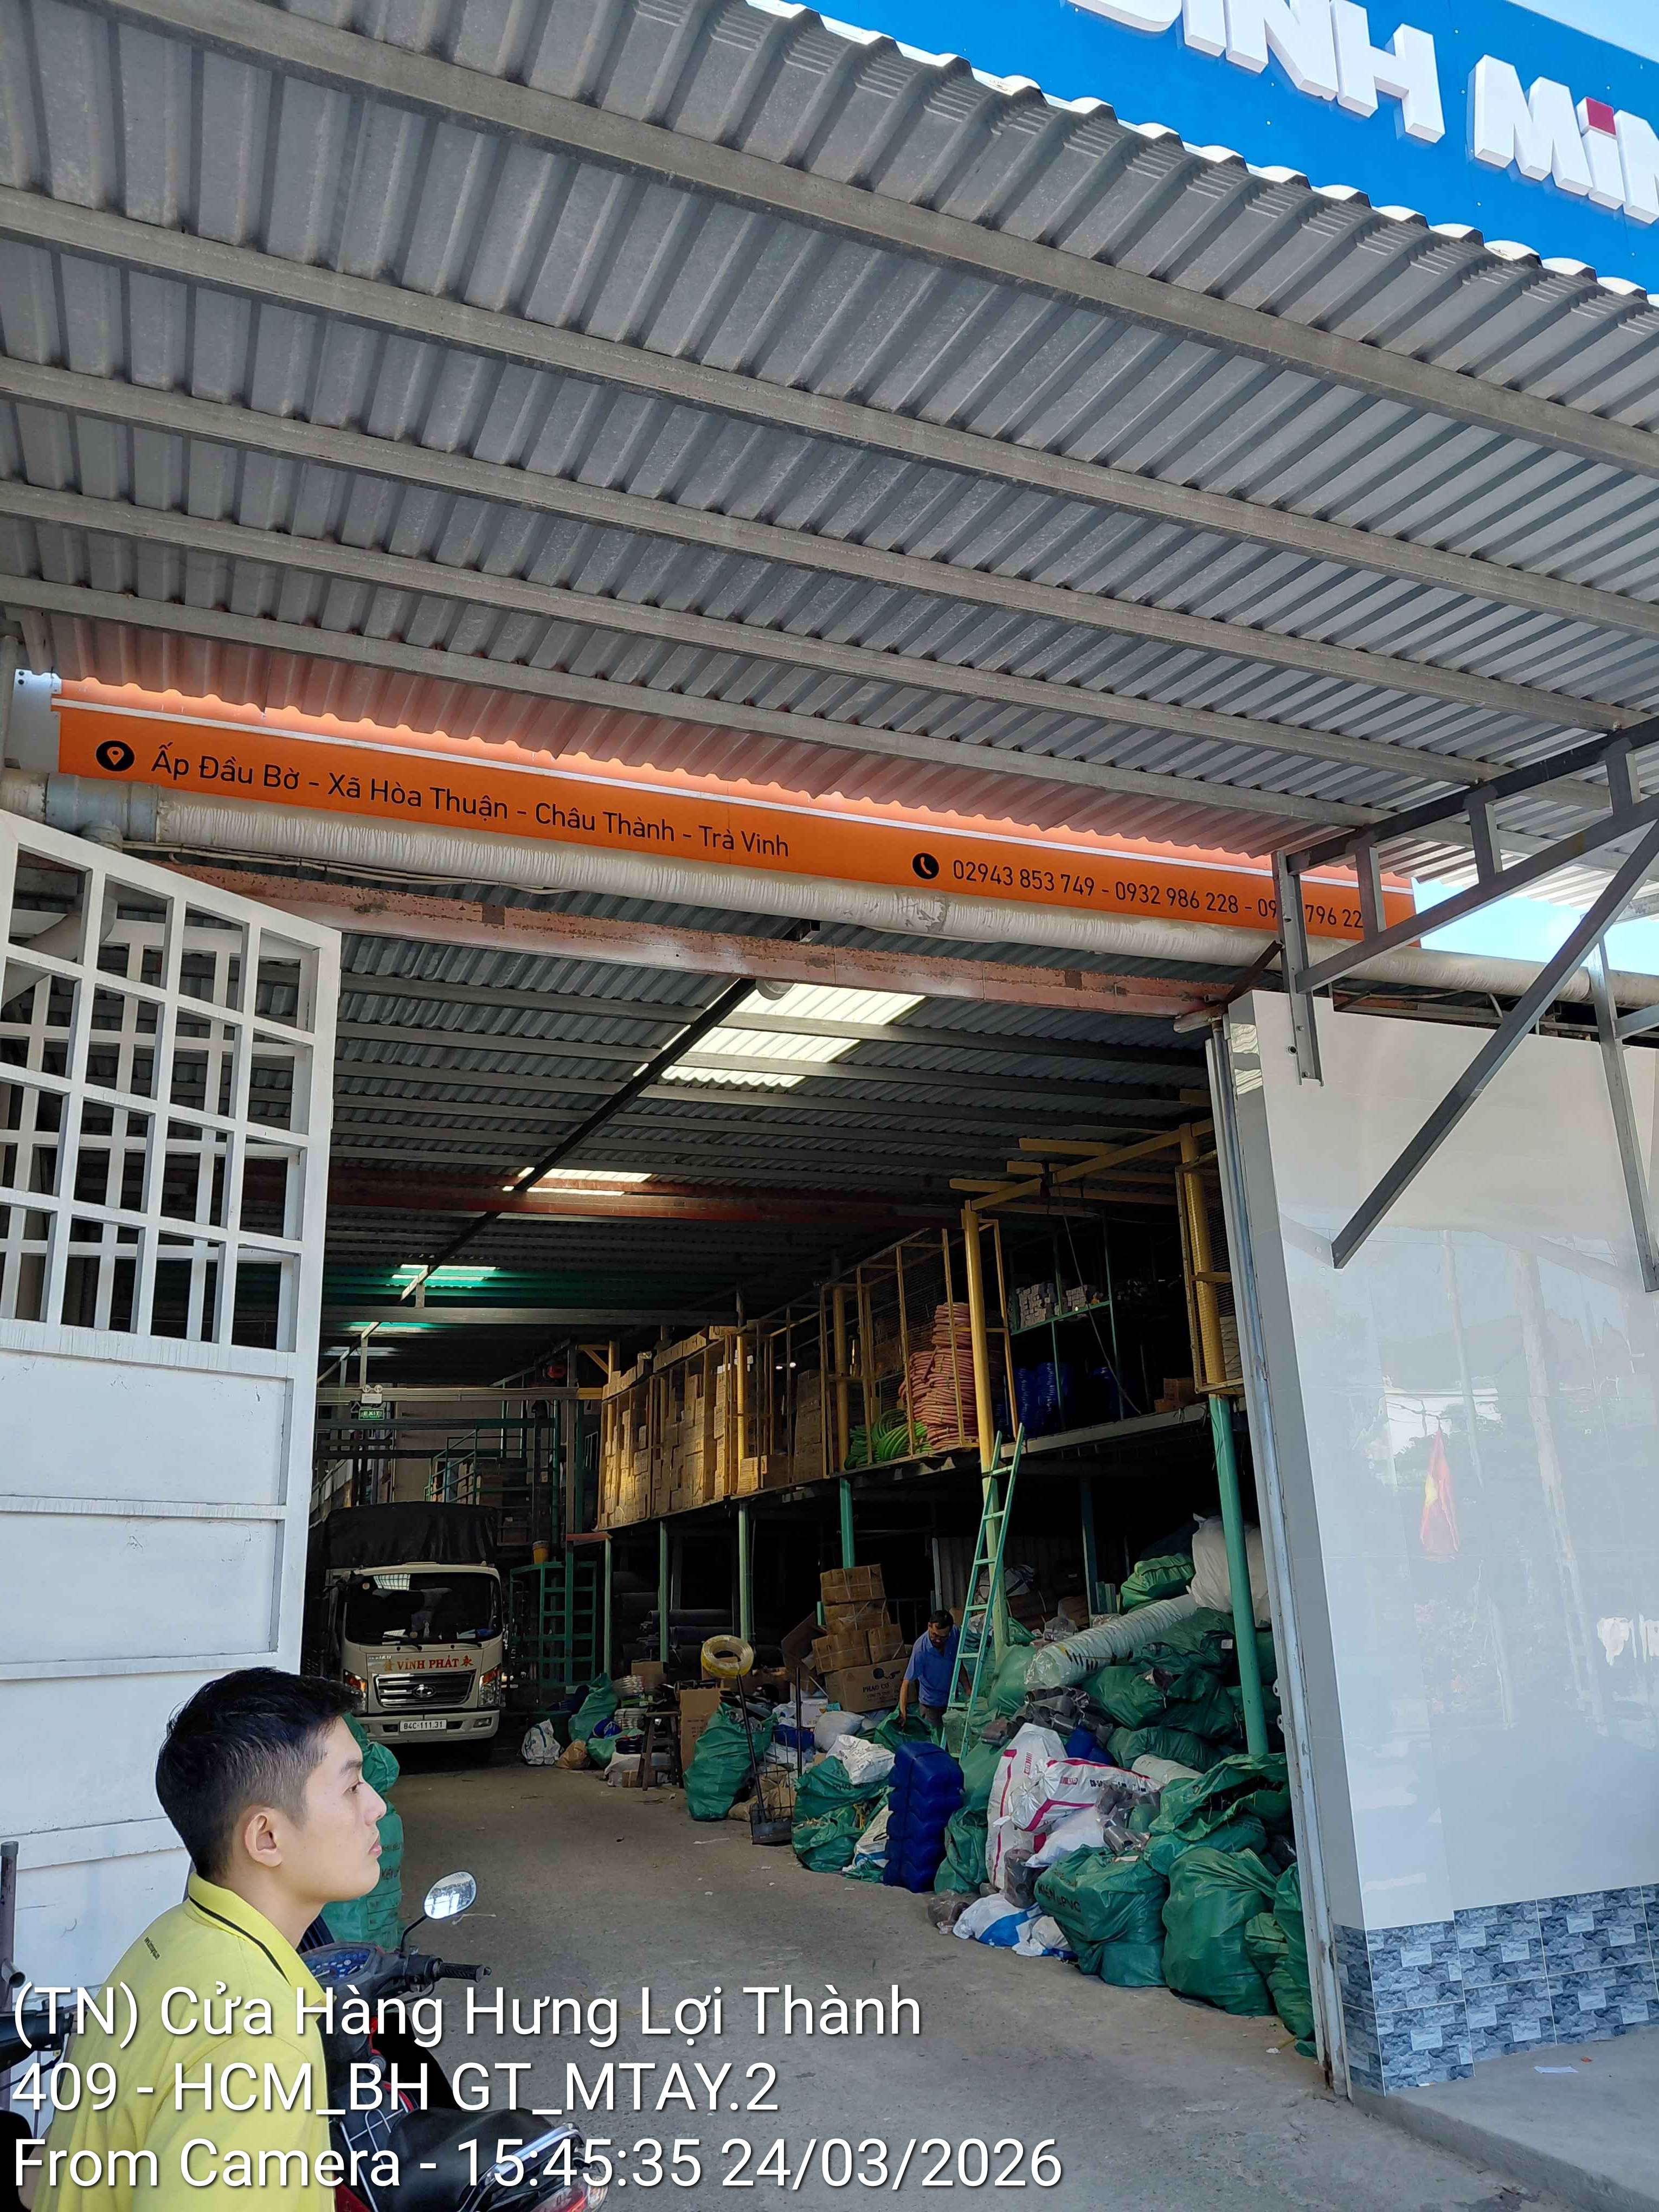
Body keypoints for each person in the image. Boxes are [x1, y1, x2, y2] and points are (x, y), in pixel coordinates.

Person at [31, 1670, 385, 2212]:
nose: (375, 1805)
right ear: (266, 1837)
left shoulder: (170, 1938)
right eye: (352, 1786)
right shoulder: (260, 2044)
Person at [897, 1610, 960, 1729]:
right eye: (935, 1635)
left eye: (943, 1637)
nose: (938, 1640)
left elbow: (958, 1664)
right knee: (935, 1737)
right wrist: (903, 1712)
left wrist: (969, 1690)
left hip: (952, 1699)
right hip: (931, 1704)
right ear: (929, 1626)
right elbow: (906, 1682)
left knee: (955, 1735)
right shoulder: (921, 1650)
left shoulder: (955, 1635)